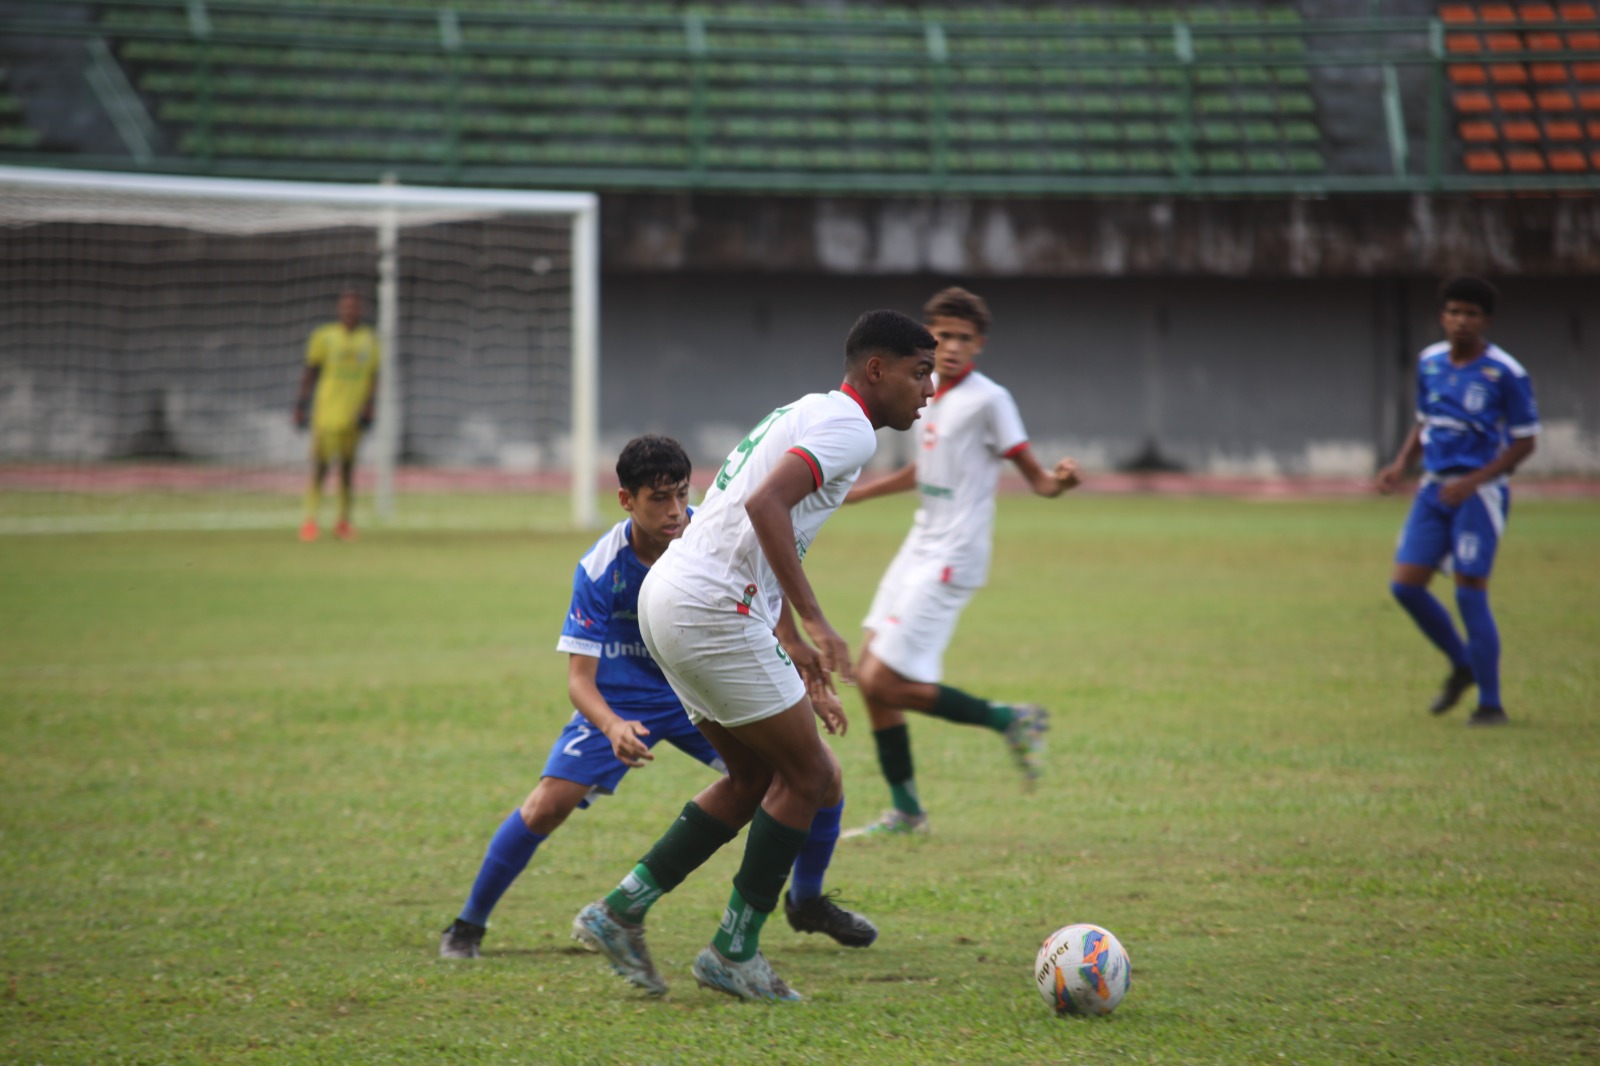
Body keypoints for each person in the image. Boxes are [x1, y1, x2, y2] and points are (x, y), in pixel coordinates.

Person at [571, 310, 937, 1003]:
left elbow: (751, 524)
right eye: (920, 373)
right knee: (810, 775)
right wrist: (815, 620)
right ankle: (733, 952)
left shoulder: (806, 411)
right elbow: (767, 506)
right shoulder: (852, 428)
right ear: (877, 370)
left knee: (752, 777)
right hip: (711, 607)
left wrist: (790, 639)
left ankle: (620, 910)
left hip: (672, 596)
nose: (928, 391)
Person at [439, 435, 877, 959]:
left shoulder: (710, 535)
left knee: (822, 774)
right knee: (546, 805)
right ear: (626, 500)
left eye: (681, 495)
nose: (675, 511)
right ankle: (467, 925)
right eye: (659, 499)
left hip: (704, 688)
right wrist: (611, 726)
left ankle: (806, 901)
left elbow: (765, 595)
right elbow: (579, 680)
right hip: (624, 702)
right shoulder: (601, 567)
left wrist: (805, 681)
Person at [839, 287, 1080, 839]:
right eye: (942, 335)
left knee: (880, 680)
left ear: (980, 344)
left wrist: (1061, 482)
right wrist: (860, 493)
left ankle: (1010, 719)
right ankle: (907, 813)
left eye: (963, 338)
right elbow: (926, 469)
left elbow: (1038, 479)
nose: (951, 346)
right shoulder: (926, 391)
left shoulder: (990, 400)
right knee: (870, 680)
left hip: (954, 554)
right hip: (918, 545)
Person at [1377, 277, 1540, 727]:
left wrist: (1474, 481)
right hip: (1434, 489)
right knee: (1405, 586)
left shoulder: (1505, 373)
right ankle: (1463, 662)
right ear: (1441, 316)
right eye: (1453, 312)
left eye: (1471, 313)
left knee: (1469, 591)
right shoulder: (1429, 362)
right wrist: (1401, 464)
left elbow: (1526, 442)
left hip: (1479, 495)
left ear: (1486, 321)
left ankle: (1491, 704)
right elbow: (1425, 422)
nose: (1461, 321)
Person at [294, 290, 379, 542]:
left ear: (361, 310)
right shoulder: (324, 336)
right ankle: (310, 521)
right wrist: (301, 405)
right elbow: (310, 372)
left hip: (353, 416)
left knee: (348, 470)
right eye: (345, 306)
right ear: (339, 309)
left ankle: (343, 521)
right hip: (326, 414)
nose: (349, 311)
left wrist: (370, 406)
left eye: (354, 306)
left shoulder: (370, 340)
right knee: (321, 467)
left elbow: (374, 377)